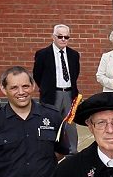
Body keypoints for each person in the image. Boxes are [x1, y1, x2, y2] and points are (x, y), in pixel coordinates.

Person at [33, 23, 81, 153]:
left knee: (70, 123)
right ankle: (50, 148)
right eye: (60, 37)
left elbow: (75, 73)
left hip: (69, 93)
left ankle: (72, 150)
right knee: (50, 121)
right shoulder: (43, 54)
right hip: (52, 93)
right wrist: (46, 88)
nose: (63, 40)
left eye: (67, 37)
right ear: (53, 37)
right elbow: (37, 75)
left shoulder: (74, 55)